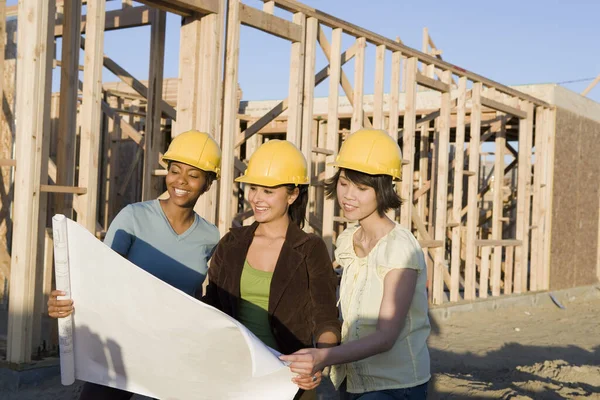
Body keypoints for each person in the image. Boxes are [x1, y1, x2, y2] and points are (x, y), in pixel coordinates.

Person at [47, 130, 222, 400]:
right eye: (175, 171)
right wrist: (63, 303)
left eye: (194, 175)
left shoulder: (209, 235)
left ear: (208, 184)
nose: (181, 181)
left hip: (174, 350)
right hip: (124, 347)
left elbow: (193, 295)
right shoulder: (133, 217)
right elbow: (97, 277)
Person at [280, 128, 431, 400]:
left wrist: (324, 357)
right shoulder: (349, 240)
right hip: (351, 381)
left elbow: (386, 336)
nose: (349, 195)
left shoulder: (399, 247)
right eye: (344, 183)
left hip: (395, 386)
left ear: (384, 190)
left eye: (362, 188)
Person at [202, 140, 341, 400]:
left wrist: (320, 359)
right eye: (253, 188)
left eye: (268, 191)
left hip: (290, 377)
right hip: (235, 373)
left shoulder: (310, 248)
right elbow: (213, 306)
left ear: (292, 195)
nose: (256, 198)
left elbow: (326, 318)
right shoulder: (231, 244)